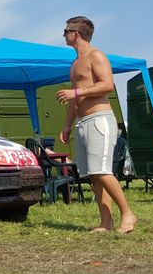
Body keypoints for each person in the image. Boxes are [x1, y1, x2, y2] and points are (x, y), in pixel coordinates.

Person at [57, 16, 137, 233]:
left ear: (77, 33)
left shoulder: (96, 55)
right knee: (93, 174)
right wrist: (67, 124)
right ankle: (106, 223)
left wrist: (77, 92)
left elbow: (107, 85)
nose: (63, 35)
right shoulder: (75, 63)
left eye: (66, 31)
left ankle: (128, 214)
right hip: (82, 122)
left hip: (100, 119)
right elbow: (75, 99)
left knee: (101, 170)